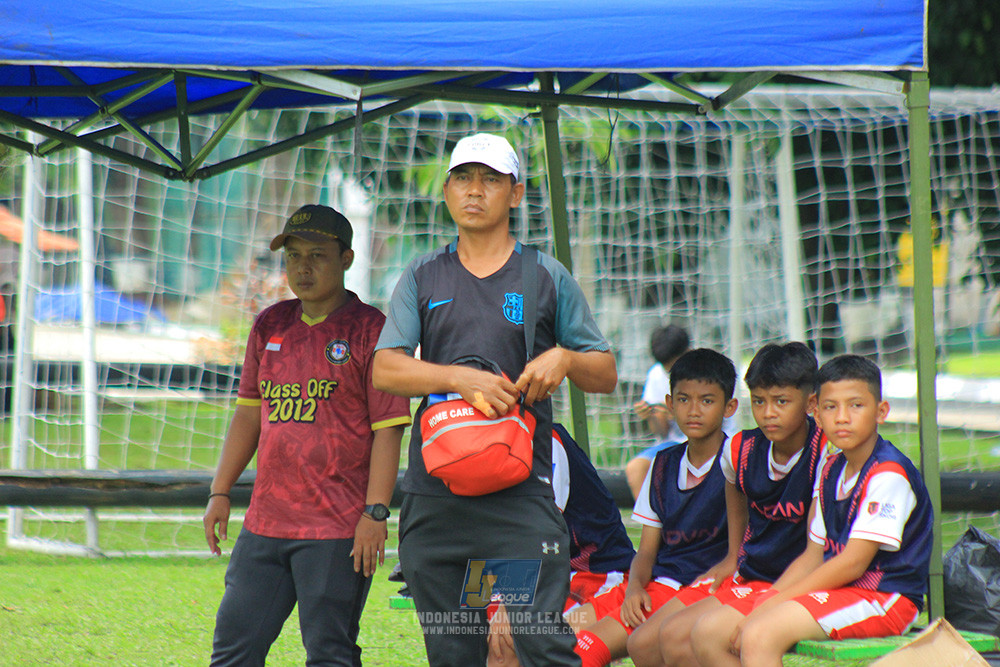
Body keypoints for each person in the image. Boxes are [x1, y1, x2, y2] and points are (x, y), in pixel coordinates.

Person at [372, 132, 618, 666]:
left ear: (516, 193)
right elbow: (385, 368)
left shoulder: (545, 275)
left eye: (490, 179)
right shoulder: (422, 274)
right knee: (454, 650)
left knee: (538, 642)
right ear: (446, 191)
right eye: (462, 177)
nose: (474, 190)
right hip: (437, 499)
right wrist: (461, 379)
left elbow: (605, 373)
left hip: (517, 503)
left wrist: (566, 358)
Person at [203, 205, 411, 666]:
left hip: (337, 528)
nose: (303, 267)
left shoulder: (372, 330)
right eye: (293, 255)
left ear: (346, 259)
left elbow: (389, 430)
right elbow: (248, 416)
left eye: (317, 255)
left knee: (330, 653)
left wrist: (375, 513)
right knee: (233, 650)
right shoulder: (270, 324)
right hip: (265, 523)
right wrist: (220, 491)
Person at [690, 354, 933, 667]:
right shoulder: (831, 468)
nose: (842, 417)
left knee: (760, 634)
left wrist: (774, 603)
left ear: (881, 411)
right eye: (831, 407)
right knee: (708, 633)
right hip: (841, 591)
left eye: (856, 405)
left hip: (886, 598)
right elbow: (813, 555)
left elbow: (853, 563)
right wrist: (770, 597)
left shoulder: (888, 474)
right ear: (817, 413)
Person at [627, 342, 827, 667]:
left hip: (802, 580)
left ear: (810, 403)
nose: (768, 412)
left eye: (781, 401)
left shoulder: (825, 452)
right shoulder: (740, 449)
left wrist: (769, 600)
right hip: (753, 574)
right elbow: (734, 488)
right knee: (653, 641)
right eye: (759, 401)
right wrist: (734, 555)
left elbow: (817, 554)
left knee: (697, 637)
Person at [571, 348, 738, 667]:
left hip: (693, 589)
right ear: (670, 403)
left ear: (729, 406)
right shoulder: (662, 464)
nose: (694, 410)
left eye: (707, 400)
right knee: (549, 640)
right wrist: (634, 587)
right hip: (650, 583)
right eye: (684, 399)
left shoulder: (737, 461)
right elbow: (646, 550)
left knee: (585, 652)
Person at [486, 423, 636, 666]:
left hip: (594, 573)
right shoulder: (458, 436)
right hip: (515, 569)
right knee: (469, 633)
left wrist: (509, 604)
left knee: (512, 642)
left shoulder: (544, 440)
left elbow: (539, 537)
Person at [626, 325, 690, 498]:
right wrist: (651, 417)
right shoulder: (656, 374)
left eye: (673, 366)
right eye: (666, 368)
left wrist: (680, 414)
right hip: (675, 444)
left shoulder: (708, 372)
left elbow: (716, 421)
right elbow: (662, 432)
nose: (669, 372)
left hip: (710, 443)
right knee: (636, 468)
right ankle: (649, 516)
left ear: (688, 352)